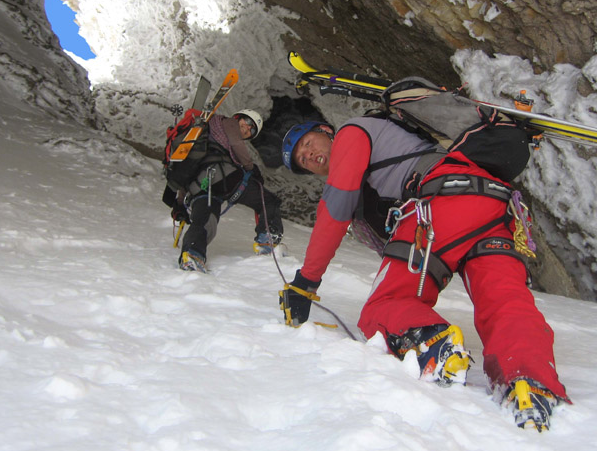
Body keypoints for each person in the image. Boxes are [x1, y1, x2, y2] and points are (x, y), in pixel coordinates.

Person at [278, 116, 569, 431]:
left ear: (326, 131)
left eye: (307, 145)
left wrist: (306, 281)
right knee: (504, 301)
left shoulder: (351, 132)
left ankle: (434, 343)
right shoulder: (390, 151)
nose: (308, 156)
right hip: (495, 206)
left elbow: (336, 206)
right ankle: (530, 383)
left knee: (384, 304)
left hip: (442, 200)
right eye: (302, 161)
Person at [173, 109, 283, 272]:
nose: (246, 130)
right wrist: (251, 169)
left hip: (200, 186)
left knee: (205, 221)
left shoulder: (206, 139)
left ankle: (192, 255)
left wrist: (179, 203)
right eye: (247, 124)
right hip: (224, 177)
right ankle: (268, 238)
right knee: (268, 200)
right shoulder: (227, 122)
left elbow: (186, 173)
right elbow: (236, 144)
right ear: (238, 117)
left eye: (250, 131)